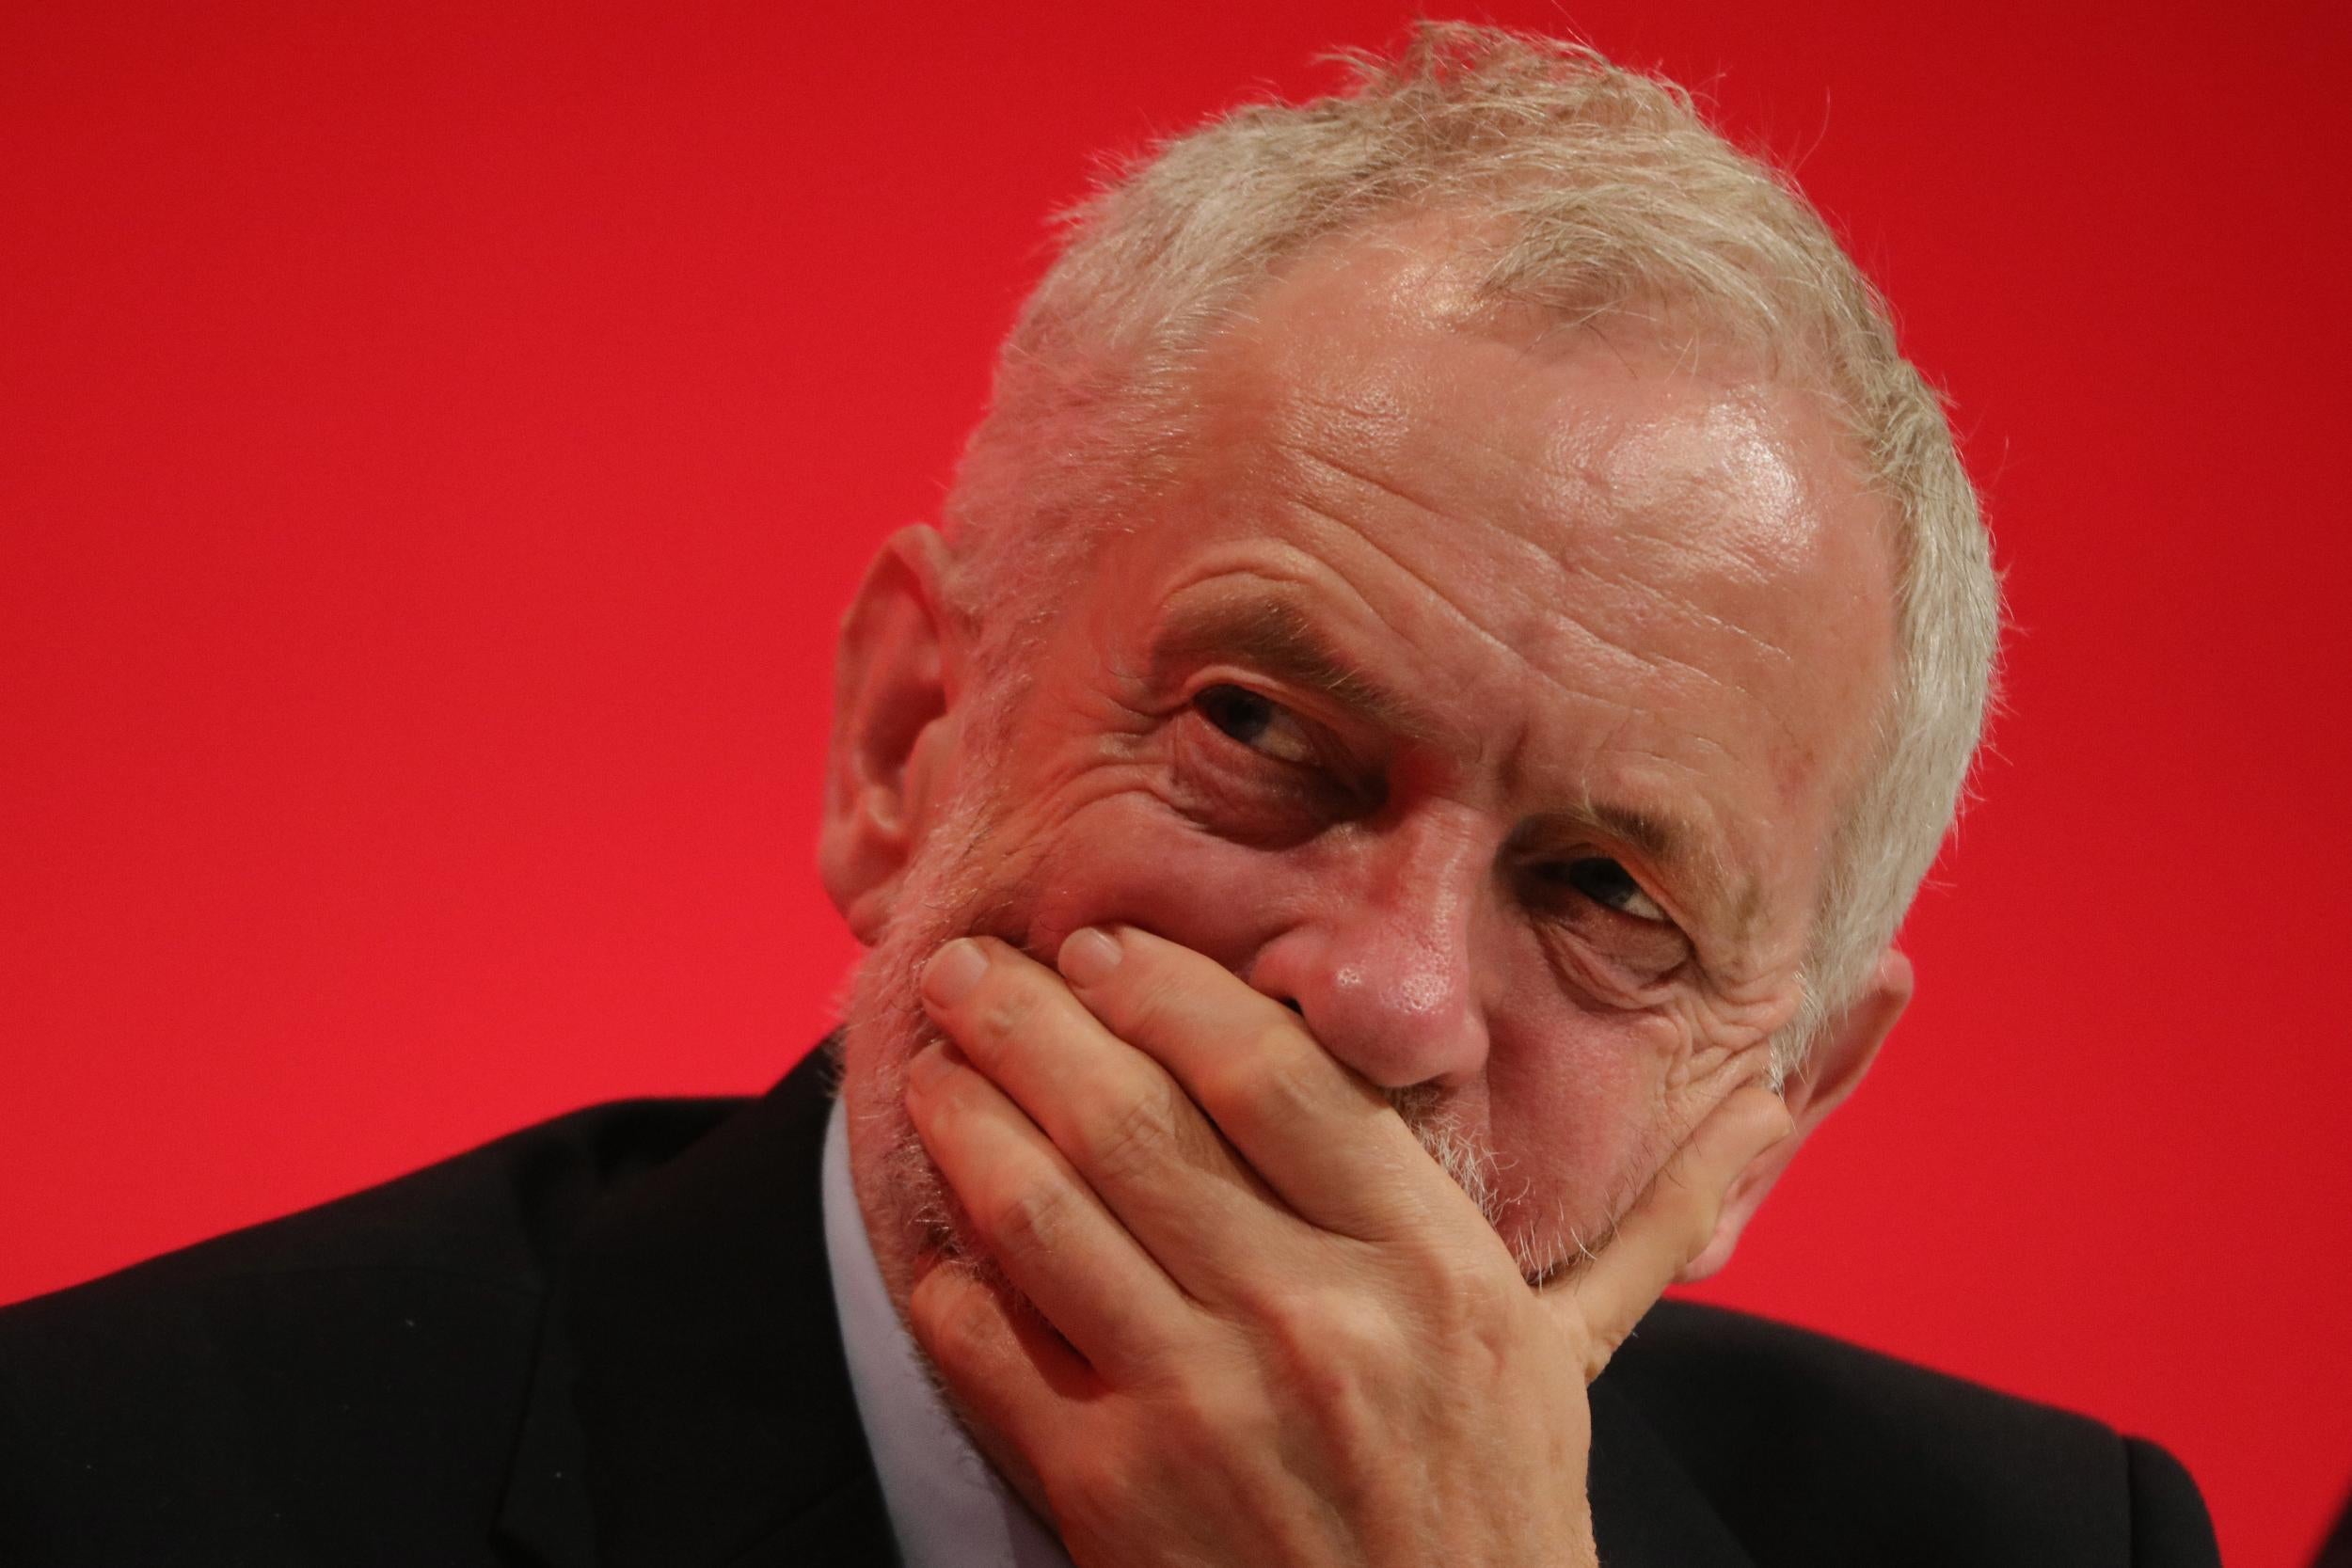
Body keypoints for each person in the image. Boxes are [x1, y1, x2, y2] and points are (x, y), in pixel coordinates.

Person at [0, 24, 2220, 1567]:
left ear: (1781, 1101)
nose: (1373, 996)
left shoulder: (2032, 1546)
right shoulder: (100, 1490)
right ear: (906, 744)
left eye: (1604, 891)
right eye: (1260, 733)